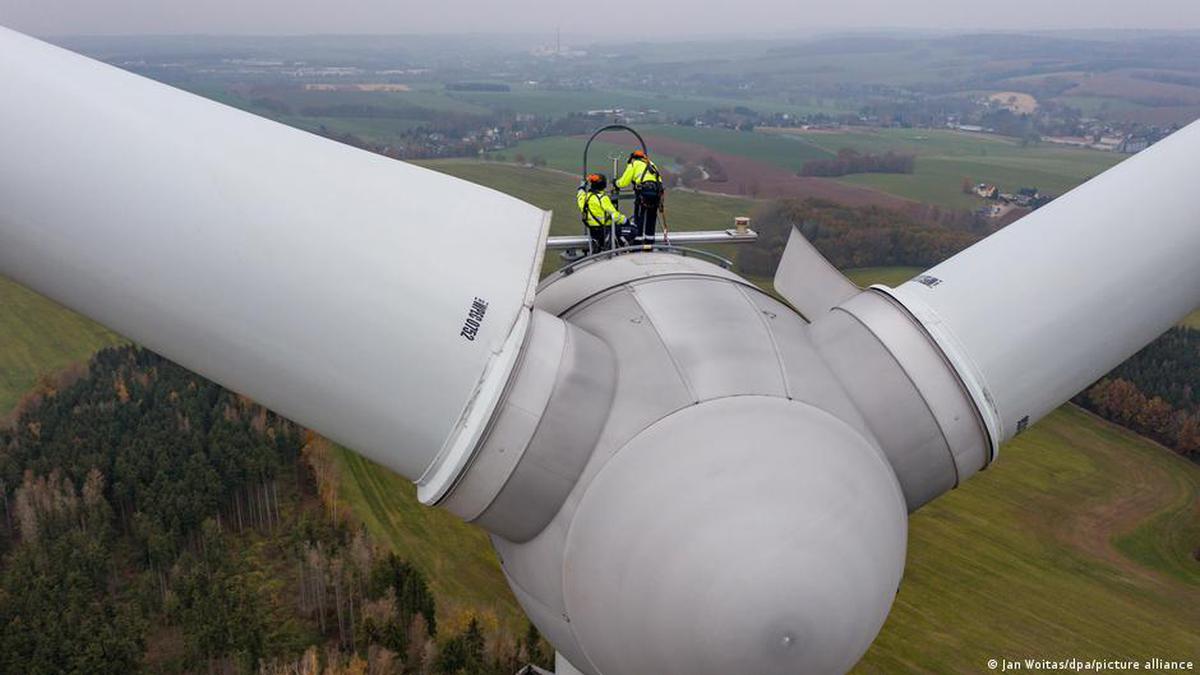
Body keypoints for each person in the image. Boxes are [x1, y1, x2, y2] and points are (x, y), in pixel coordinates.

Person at [614, 149, 664, 244]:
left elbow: (624, 182)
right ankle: (649, 244)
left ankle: (637, 244)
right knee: (651, 219)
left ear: (633, 158)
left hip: (643, 194)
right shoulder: (652, 164)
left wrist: (616, 183)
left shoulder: (634, 164)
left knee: (639, 219)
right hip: (656, 195)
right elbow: (659, 180)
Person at [578, 173, 628, 253]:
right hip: (605, 230)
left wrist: (582, 187)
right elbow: (615, 216)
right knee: (632, 231)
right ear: (603, 185)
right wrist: (625, 221)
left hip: (593, 231)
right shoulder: (602, 198)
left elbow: (580, 195)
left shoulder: (586, 198)